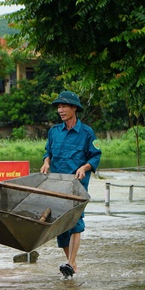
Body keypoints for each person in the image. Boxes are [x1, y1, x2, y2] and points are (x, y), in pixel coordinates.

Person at [40, 91, 102, 278]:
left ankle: (70, 263)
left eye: (64, 106)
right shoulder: (54, 132)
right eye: (58, 107)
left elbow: (96, 155)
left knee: (75, 222)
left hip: (77, 186)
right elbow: (47, 152)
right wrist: (46, 162)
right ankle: (72, 264)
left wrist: (85, 167)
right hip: (57, 185)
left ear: (74, 108)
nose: (60, 110)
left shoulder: (87, 133)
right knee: (61, 227)